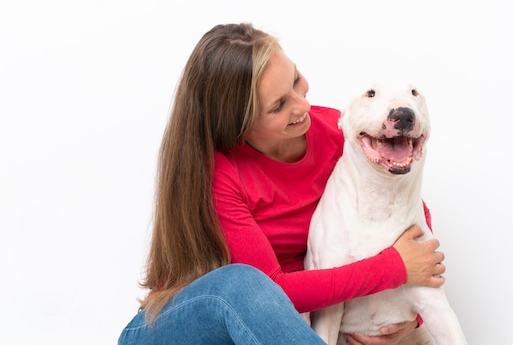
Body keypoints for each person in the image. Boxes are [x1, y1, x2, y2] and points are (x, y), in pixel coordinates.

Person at [118, 23, 446, 344]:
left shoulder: (340, 131)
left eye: (295, 79)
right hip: (178, 329)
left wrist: (399, 319)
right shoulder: (220, 174)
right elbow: (273, 290)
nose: (302, 105)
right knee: (244, 284)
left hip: (279, 330)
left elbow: (405, 213)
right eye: (278, 106)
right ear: (239, 127)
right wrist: (393, 269)